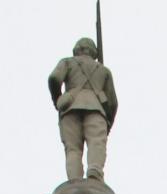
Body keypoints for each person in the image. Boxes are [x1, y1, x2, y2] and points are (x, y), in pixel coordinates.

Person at [48, 37, 118, 183]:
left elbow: (54, 78)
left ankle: (74, 180)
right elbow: (113, 102)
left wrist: (58, 99)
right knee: (96, 142)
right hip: (96, 108)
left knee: (73, 148)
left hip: (69, 107)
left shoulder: (67, 62)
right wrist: (108, 122)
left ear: (76, 50)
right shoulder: (104, 70)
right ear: (94, 53)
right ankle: (95, 171)